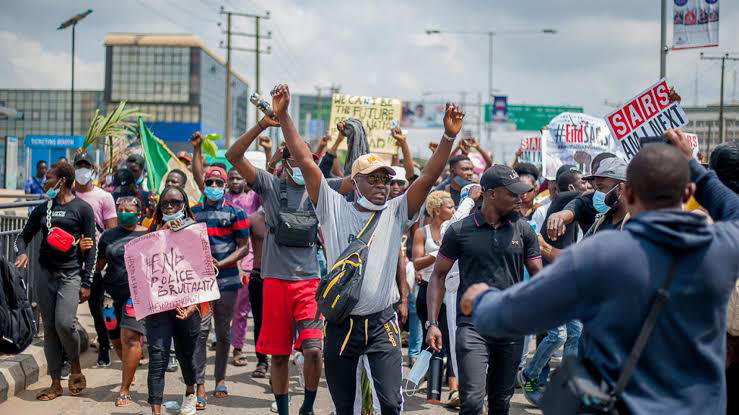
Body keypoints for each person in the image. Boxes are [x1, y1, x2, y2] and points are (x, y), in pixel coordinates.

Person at [464, 130, 739, 414]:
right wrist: (693, 167)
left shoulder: (602, 254)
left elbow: (516, 314)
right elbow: (734, 209)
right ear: (688, 192)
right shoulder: (721, 247)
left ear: (628, 192)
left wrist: (481, 299)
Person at [272, 82, 466, 414]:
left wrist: (448, 137)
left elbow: (428, 178)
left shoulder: (396, 210)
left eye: (386, 180)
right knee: (344, 407)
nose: (382, 186)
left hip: (381, 325)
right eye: (373, 179)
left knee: (391, 404)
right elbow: (305, 162)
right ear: (355, 180)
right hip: (341, 325)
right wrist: (285, 116)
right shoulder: (333, 208)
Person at [226, 107, 324, 415]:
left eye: (306, 156)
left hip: (309, 282)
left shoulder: (320, 187)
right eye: (294, 155)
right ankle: (284, 411)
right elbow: (233, 155)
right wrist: (261, 125)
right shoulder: (269, 185)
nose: (301, 162)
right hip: (275, 283)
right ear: (283, 161)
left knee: (314, 350)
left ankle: (307, 406)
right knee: (279, 356)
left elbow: (354, 183)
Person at [426, 164, 543, 415]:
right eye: (512, 192)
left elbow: (538, 275)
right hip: (472, 327)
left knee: (500, 402)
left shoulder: (523, 230)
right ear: (490, 193)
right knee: (471, 401)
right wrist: (432, 323)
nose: (519, 197)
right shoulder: (460, 230)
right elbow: (437, 275)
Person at [14, 161, 96, 401]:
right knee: (49, 329)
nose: (45, 182)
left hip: (70, 276)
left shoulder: (83, 209)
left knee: (64, 324)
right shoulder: (42, 209)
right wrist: (21, 252)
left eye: (49, 178)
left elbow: (90, 248)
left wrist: (87, 282)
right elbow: (22, 237)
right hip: (45, 276)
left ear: (62, 181)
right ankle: (55, 384)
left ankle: (76, 366)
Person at [517, 168, 588, 405]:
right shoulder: (564, 201)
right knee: (557, 335)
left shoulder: (580, 211)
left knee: (575, 334)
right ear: (570, 189)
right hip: (549, 283)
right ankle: (529, 373)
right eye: (584, 184)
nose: (588, 188)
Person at [188, 160, 250, 408]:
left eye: (218, 183)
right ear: (203, 185)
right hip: (199, 283)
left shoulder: (237, 213)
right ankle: (200, 384)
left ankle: (220, 378)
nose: (214, 186)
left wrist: (222, 263)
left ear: (224, 186)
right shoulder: (192, 212)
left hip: (227, 282)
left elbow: (244, 247)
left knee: (223, 333)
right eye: (210, 182)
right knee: (200, 333)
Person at [145, 186, 203, 415]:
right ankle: (156, 411)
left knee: (186, 354)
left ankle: (190, 392)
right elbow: (139, 265)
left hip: (186, 307)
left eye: (176, 203)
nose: (170, 207)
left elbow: (204, 273)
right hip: (158, 306)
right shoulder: (151, 233)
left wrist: (194, 305)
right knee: (158, 355)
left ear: (185, 206)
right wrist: (161, 234)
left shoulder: (196, 232)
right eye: (165, 203)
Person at [94, 196, 147, 407]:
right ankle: (129, 369)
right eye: (121, 209)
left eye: (129, 208)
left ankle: (124, 389)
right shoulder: (108, 236)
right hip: (109, 294)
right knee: (115, 338)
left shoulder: (149, 235)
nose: (124, 211)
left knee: (131, 337)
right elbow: (98, 266)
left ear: (139, 212)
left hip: (136, 294)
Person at [412, 190, 459, 405]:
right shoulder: (423, 232)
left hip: (450, 292)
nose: (454, 210)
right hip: (429, 293)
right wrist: (440, 254)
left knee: (452, 339)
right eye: (450, 207)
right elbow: (417, 263)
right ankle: (429, 386)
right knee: (432, 339)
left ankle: (453, 389)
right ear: (437, 210)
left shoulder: (456, 229)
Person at [72, 151, 118, 367]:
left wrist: (102, 262)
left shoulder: (104, 197)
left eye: (86, 165)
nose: (82, 170)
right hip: (70, 262)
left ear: (93, 170)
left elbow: (112, 234)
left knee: (98, 310)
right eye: (78, 165)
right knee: (66, 311)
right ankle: (67, 356)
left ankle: (104, 347)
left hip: (96, 264)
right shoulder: (67, 195)